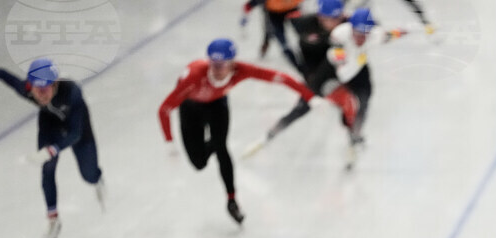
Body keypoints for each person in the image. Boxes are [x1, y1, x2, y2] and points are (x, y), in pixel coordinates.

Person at [158, 38, 317, 225]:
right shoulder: (193, 76)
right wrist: (169, 143)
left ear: (232, 63)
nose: (217, 70)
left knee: (221, 148)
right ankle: (215, 143)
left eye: (222, 65)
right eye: (214, 64)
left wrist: (310, 97)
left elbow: (279, 77)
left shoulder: (241, 70)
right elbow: (164, 109)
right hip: (191, 109)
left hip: (217, 106)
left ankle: (232, 201)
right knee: (199, 163)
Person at [0, 56, 104, 238]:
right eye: (37, 90)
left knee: (89, 175)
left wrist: (53, 149)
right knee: (47, 167)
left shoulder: (71, 92)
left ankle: (97, 177)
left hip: (77, 128)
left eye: (45, 90)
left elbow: (75, 134)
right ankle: (53, 221)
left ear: (55, 85)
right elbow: (4, 76)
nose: (41, 96)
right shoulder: (27, 89)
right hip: (49, 124)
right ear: (30, 86)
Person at [245, 5, 406, 169]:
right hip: (331, 69)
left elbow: (387, 35)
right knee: (304, 104)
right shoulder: (339, 32)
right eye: (357, 33)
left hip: (356, 69)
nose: (361, 38)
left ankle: (354, 139)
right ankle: (270, 135)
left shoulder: (374, 34)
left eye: (365, 34)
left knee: (363, 101)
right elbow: (333, 53)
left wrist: (402, 32)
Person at [239, 0, 303, 71]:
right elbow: (249, 5)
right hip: (274, 14)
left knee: (303, 30)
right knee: (276, 34)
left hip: (292, 10)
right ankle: (274, 45)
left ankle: (304, 49)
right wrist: (245, 15)